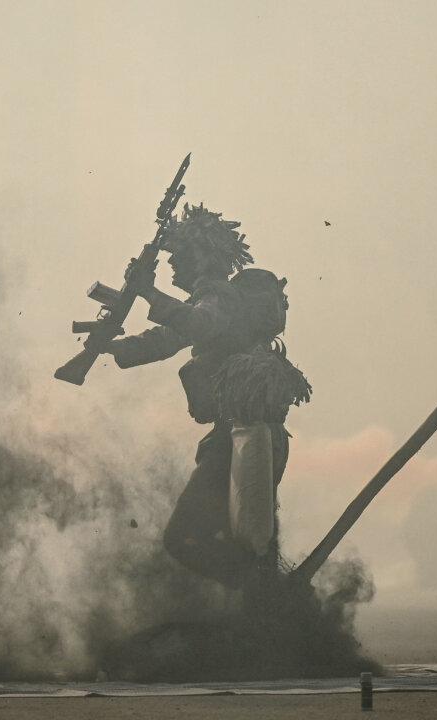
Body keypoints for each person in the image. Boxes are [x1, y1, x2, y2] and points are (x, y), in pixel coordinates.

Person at [89, 204, 304, 586]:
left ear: (203, 254)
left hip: (240, 437)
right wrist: (113, 348)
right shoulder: (214, 299)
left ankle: (266, 598)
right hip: (243, 436)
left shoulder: (218, 295)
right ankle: (265, 609)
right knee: (245, 544)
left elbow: (198, 325)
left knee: (184, 539)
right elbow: (171, 337)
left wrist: (147, 291)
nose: (173, 266)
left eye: (180, 256)